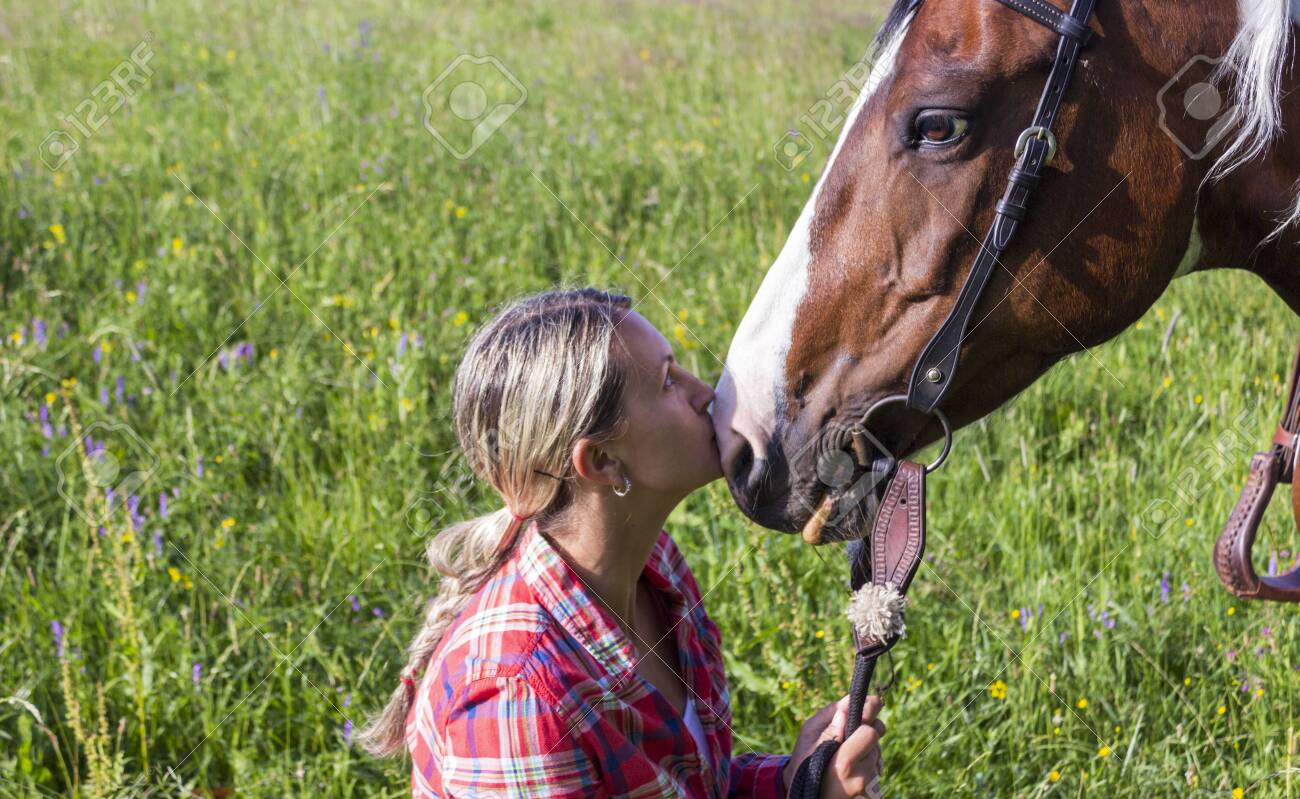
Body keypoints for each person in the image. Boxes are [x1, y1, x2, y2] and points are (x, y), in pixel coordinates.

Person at [358, 287, 886, 798]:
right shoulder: (519, 698)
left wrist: (797, 781)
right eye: (665, 383)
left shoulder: (657, 569)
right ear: (603, 462)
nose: (705, 392)